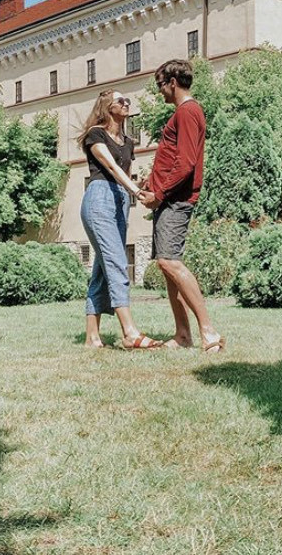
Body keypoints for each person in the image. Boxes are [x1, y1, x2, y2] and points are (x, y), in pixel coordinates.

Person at [138, 60, 225, 352]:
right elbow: (171, 159)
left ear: (173, 82)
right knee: (166, 265)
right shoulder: (182, 113)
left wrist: (159, 194)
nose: (159, 92)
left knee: (169, 262)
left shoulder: (188, 111)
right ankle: (183, 335)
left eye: (160, 86)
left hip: (176, 199)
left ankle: (209, 332)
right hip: (168, 197)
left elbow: (186, 163)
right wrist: (150, 184)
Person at [78, 89, 159, 350]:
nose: (126, 104)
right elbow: (112, 167)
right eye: (120, 101)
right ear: (106, 106)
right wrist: (135, 191)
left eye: (128, 101)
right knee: (116, 261)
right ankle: (129, 332)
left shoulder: (128, 141)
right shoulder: (95, 134)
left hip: (120, 200)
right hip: (99, 197)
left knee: (102, 269)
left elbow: (126, 171)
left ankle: (92, 337)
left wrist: (139, 187)